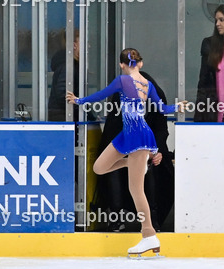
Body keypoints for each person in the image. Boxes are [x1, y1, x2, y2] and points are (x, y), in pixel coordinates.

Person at [67, 48, 184, 257]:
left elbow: (100, 96)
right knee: (100, 167)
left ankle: (148, 235)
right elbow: (163, 109)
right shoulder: (146, 84)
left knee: (136, 189)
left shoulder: (123, 80)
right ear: (140, 63)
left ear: (122, 64)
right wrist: (177, 107)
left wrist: (78, 101)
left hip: (137, 136)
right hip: (127, 134)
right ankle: (137, 164)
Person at [92, 64, 175, 233]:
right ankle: (116, 218)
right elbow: (115, 129)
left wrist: (157, 151)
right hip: (120, 141)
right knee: (110, 169)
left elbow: (161, 128)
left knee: (149, 169)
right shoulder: (123, 97)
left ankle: (152, 221)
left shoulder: (156, 96)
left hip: (144, 143)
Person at [48, 28, 81, 121]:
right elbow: (63, 95)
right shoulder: (67, 66)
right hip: (63, 118)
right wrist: (80, 107)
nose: (89, 46)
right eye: (85, 43)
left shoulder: (72, 65)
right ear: (74, 45)